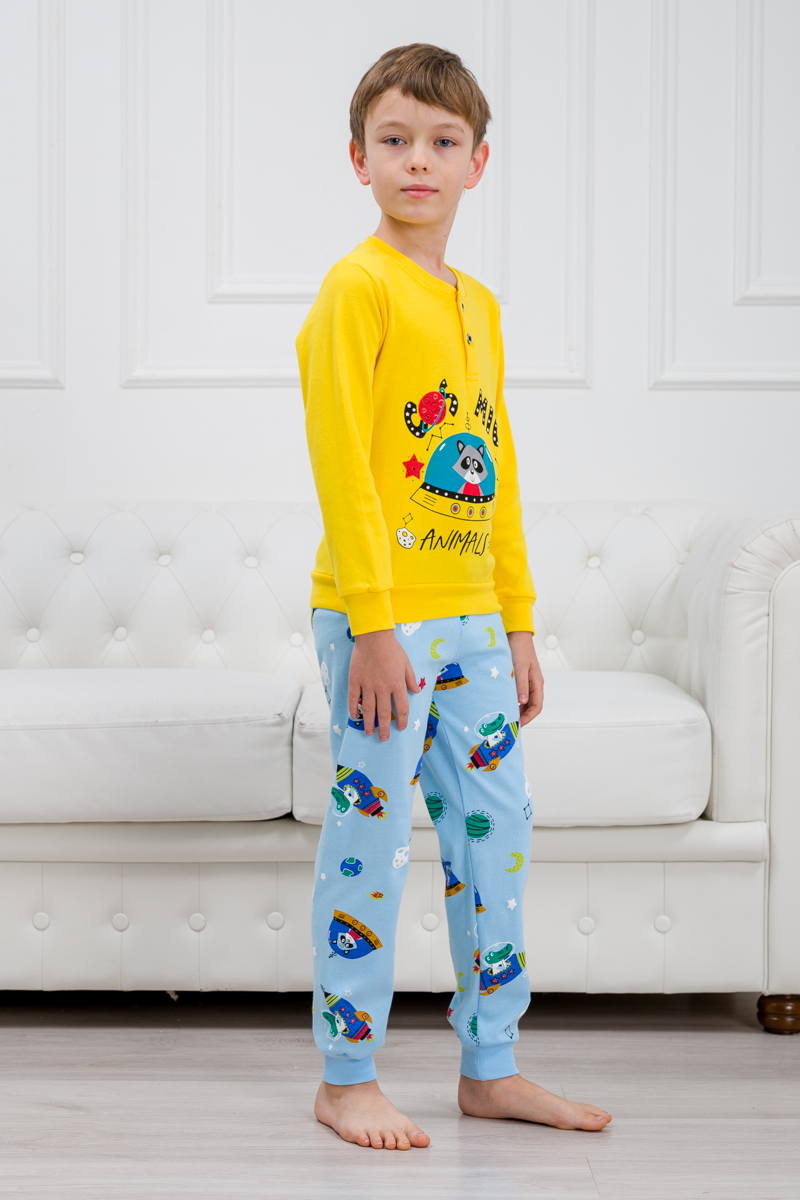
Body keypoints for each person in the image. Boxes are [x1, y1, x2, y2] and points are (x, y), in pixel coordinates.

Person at [295, 42, 612, 1151]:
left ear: (478, 162)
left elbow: (495, 470)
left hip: (473, 620)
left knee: (495, 833)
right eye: (395, 140)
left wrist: (517, 620)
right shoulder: (357, 289)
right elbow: (342, 464)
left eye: (441, 142)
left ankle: (491, 1064)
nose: (417, 161)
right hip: (381, 621)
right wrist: (373, 624)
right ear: (359, 159)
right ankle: (346, 1077)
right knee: (372, 838)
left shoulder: (478, 304)